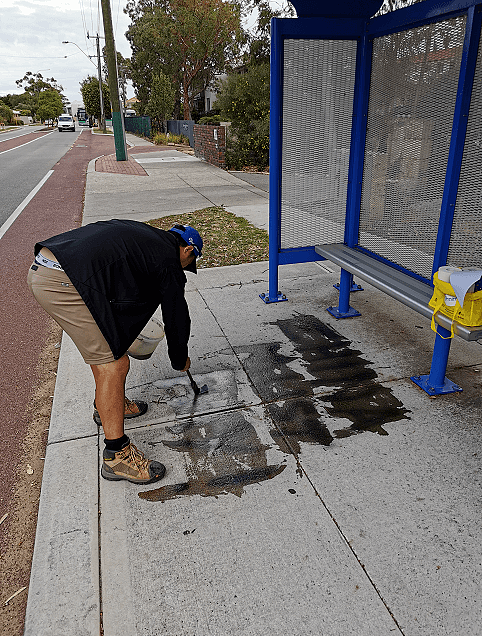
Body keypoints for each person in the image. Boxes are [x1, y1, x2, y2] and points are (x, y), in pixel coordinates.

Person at [27, 219, 203, 485]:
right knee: (114, 365)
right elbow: (177, 317)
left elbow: (120, 289)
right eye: (190, 265)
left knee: (107, 351)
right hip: (62, 281)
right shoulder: (168, 261)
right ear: (188, 251)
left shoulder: (150, 240)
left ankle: (108, 406)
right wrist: (180, 359)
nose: (186, 270)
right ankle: (116, 456)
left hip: (51, 265)